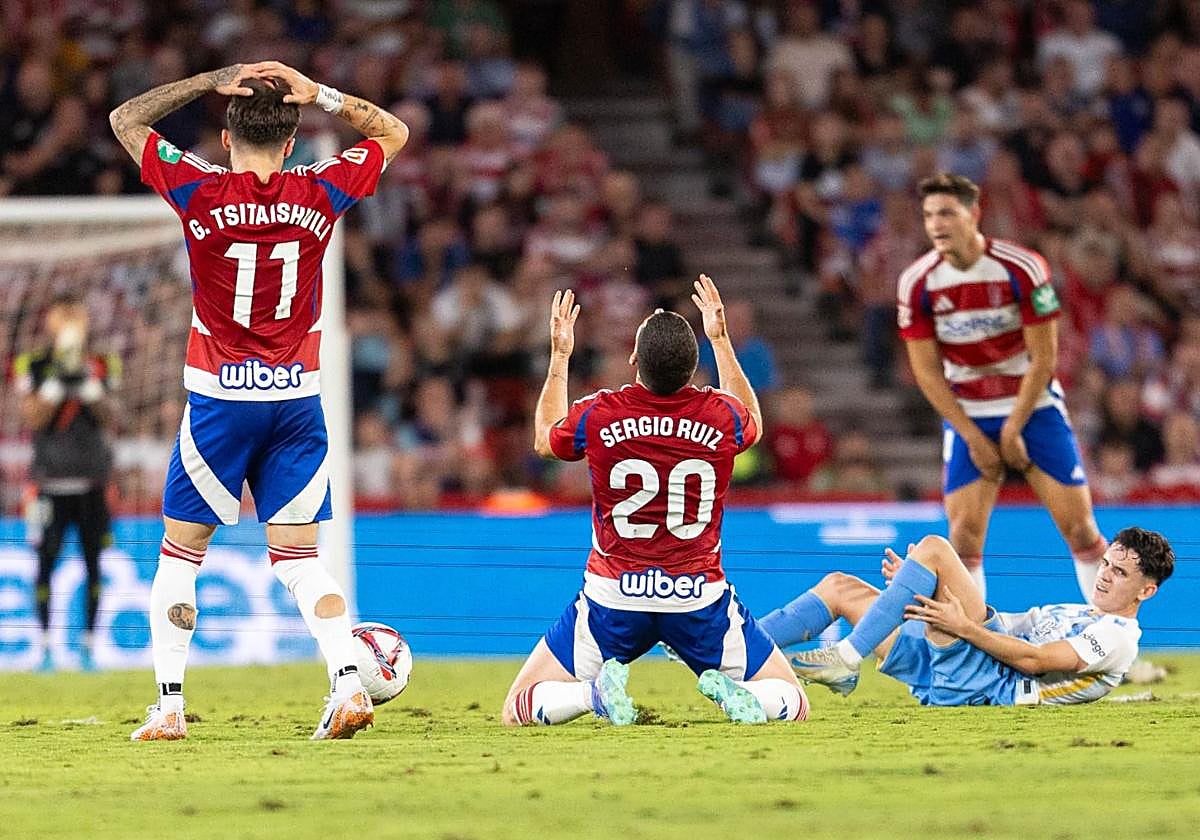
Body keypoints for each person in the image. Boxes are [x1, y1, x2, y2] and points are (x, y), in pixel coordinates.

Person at [108, 61, 409, 740]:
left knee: (181, 555)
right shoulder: (319, 189)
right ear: (290, 142)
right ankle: (343, 683)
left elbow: (125, 119)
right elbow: (393, 132)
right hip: (297, 399)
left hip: (220, 402)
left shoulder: (199, 189)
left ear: (223, 134)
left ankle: (171, 707)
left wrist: (209, 77)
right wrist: (322, 92)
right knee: (300, 558)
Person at [502, 275, 809, 727]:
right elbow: (755, 424)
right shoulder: (720, 414)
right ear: (693, 368)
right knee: (792, 700)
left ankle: (592, 695)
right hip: (697, 599)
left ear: (633, 361)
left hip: (613, 598)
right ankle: (739, 697)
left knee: (518, 707)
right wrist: (721, 341)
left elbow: (545, 442)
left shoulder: (601, 412)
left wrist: (560, 357)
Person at [898, 173, 1107, 601]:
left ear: (974, 214)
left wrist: (1013, 428)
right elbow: (927, 373)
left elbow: (1045, 358)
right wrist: (974, 436)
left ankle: (1113, 644)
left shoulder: (1022, 267)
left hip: (1033, 406)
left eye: (947, 213)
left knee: (1081, 529)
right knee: (964, 539)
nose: (936, 224)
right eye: (928, 215)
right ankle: (975, 649)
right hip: (968, 412)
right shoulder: (917, 282)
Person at [768, 527, 1173, 706]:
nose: (1104, 576)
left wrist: (961, 626)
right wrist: (910, 586)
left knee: (936, 549)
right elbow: (1010, 624)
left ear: (1146, 590)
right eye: (1105, 564)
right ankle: (738, 648)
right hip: (959, 664)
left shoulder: (1118, 638)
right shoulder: (1079, 611)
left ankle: (846, 659)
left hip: (989, 686)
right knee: (841, 587)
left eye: (1119, 573)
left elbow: (1035, 661)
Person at [13, 294, 121, 671]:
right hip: (47, 483)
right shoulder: (34, 364)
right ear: (51, 322)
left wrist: (88, 384)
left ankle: (88, 645)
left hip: (93, 482)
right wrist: (58, 383)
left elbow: (111, 417)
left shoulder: (104, 363)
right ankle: (44, 645)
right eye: (64, 317)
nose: (72, 324)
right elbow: (32, 418)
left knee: (94, 563)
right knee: (45, 564)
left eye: (78, 316)